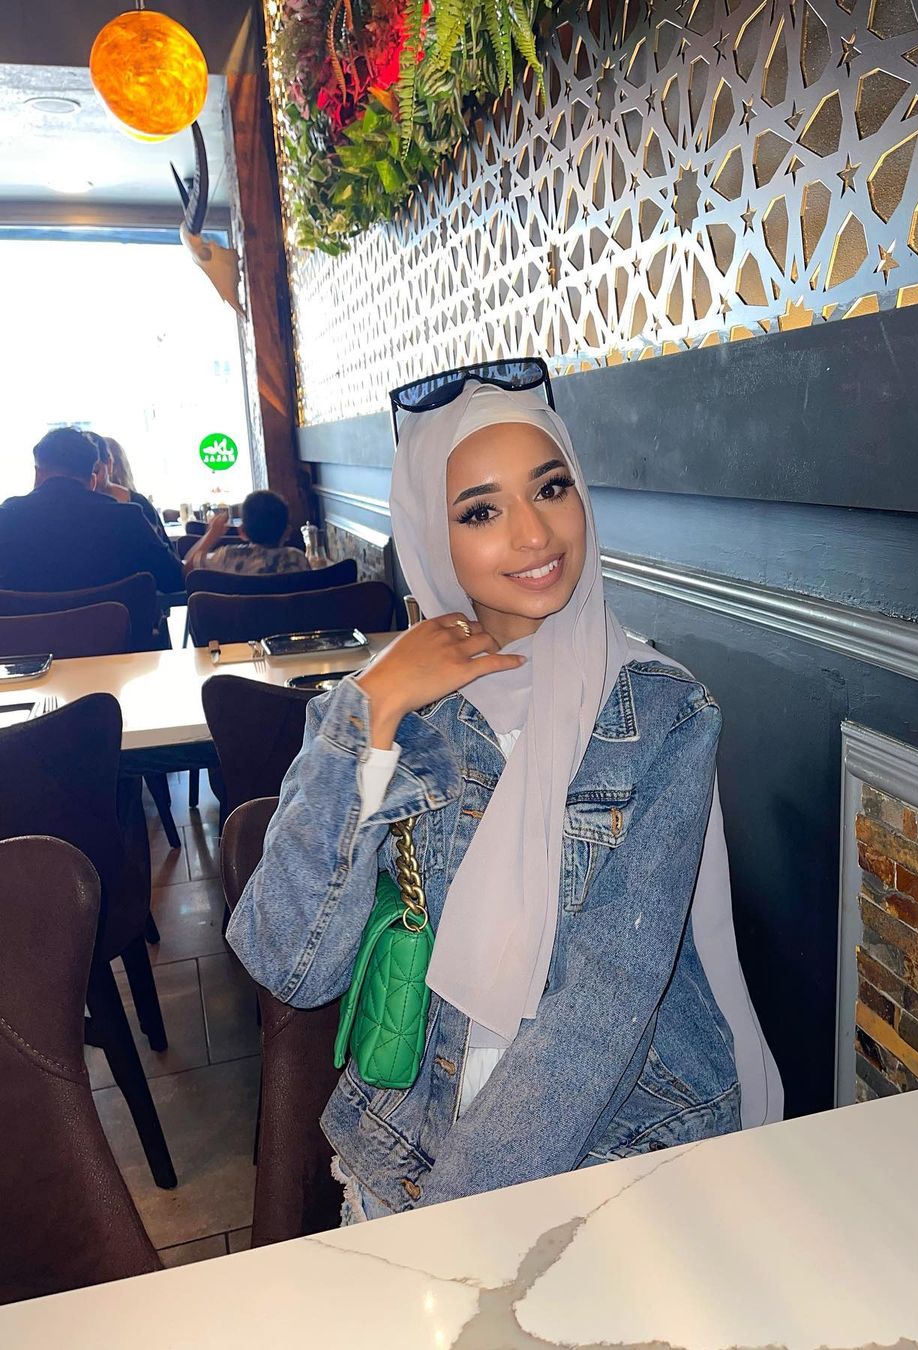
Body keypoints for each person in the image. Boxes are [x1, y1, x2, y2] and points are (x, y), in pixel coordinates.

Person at [227, 373, 781, 1223]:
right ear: (428, 529)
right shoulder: (393, 710)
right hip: (407, 1144)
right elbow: (289, 963)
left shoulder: (662, 713)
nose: (533, 533)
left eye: (551, 489)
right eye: (481, 511)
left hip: (617, 1149)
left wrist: (454, 1219)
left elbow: (604, 1005)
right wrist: (370, 708)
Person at [0, 427, 183, 594]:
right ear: (92, 480)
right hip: (114, 622)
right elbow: (174, 581)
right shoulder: (127, 518)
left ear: (38, 474)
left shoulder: (7, 517)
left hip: (29, 622)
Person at [183, 489, 309, 576]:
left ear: (242, 532)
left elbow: (188, 571)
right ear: (287, 532)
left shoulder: (226, 557)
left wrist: (211, 534)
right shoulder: (297, 558)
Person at [85, 432, 169, 544]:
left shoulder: (138, 504)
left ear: (109, 464)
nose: (91, 480)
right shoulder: (77, 509)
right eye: (84, 474)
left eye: (96, 471)